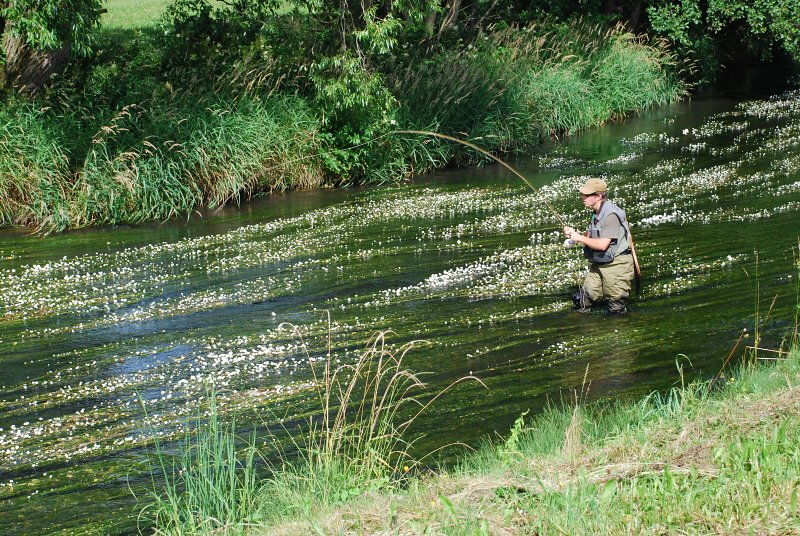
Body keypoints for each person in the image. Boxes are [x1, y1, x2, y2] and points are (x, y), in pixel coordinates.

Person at [563, 178, 634, 315]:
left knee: (616, 310)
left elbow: (602, 245)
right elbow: (592, 238)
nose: (582, 197)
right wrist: (573, 236)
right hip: (599, 264)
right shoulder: (596, 213)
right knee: (581, 300)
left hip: (617, 266)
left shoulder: (611, 215)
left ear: (599, 196)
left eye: (587, 195)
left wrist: (579, 238)